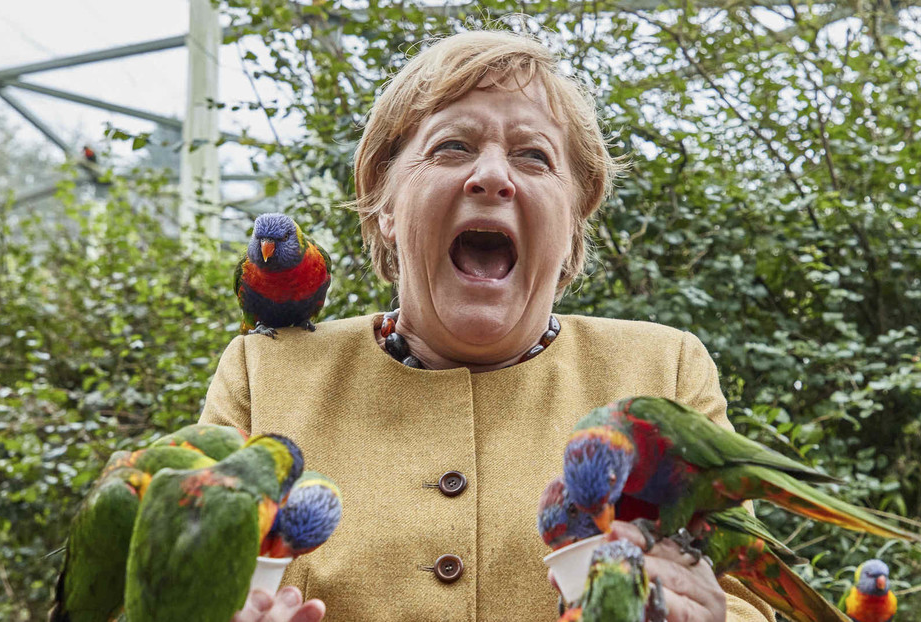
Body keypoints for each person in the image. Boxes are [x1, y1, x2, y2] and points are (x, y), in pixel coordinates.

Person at [207, 30, 775, 622]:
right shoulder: (266, 373)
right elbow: (166, 579)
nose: (493, 177)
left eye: (534, 156)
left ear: (574, 220)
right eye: (452, 147)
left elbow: (747, 601)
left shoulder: (664, 372)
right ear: (386, 203)